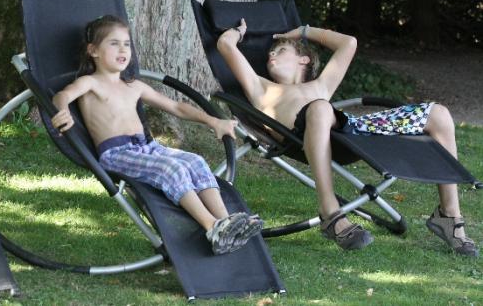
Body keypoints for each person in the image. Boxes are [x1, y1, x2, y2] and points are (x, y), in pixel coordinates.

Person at [216, 20, 479, 257]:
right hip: (304, 135)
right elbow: (225, 45)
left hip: (352, 131)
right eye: (271, 53)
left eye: (280, 50)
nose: (271, 55)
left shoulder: (321, 85)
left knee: (438, 114)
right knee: (320, 107)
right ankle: (330, 212)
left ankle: (449, 215)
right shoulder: (260, 86)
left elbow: (348, 43)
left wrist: (304, 31)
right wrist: (238, 31)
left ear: (304, 60)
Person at [51, 15, 263, 255]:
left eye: (126, 44)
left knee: (195, 161)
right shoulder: (91, 83)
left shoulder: (134, 86)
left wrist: (213, 121)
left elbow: (176, 107)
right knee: (171, 169)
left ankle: (227, 221)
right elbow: (62, 95)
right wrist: (62, 110)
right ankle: (212, 226)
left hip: (148, 148)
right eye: (114, 43)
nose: (123, 49)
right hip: (117, 153)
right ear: (93, 51)